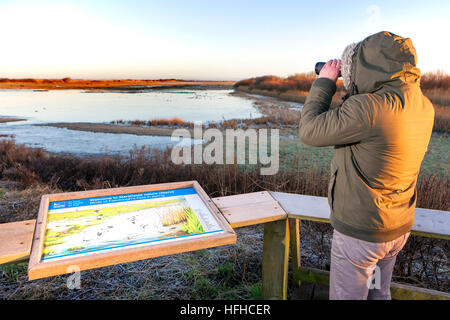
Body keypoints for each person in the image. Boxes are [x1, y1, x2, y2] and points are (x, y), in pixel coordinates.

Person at [298, 31, 434, 300]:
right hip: (396, 230)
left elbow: (309, 130)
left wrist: (325, 82)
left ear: (363, 68)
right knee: (378, 295)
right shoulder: (422, 105)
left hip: (361, 237)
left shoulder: (368, 108)